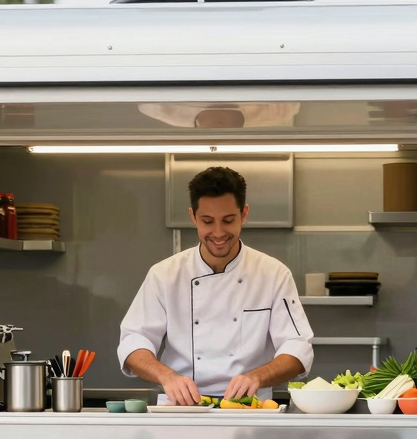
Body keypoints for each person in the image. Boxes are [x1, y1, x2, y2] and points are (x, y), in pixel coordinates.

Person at [118, 166, 313, 405]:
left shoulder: (273, 274)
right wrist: (167, 376)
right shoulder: (165, 275)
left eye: (228, 220)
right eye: (207, 221)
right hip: (182, 407)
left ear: (244, 214)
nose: (218, 232)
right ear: (193, 217)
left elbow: (297, 345)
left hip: (249, 408)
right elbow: (134, 340)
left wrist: (257, 376)